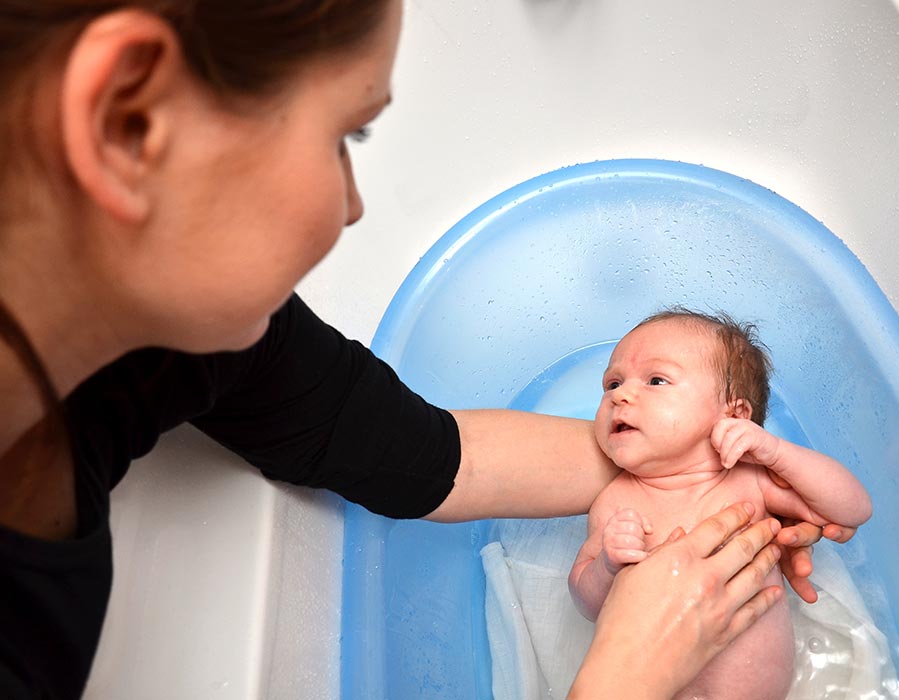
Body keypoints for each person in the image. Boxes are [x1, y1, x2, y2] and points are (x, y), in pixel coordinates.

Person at [0, 2, 839, 698]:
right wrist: (626, 673)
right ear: (126, 120)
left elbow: (430, 455)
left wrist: (691, 481)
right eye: (346, 138)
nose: (356, 206)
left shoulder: (179, 338)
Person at [569, 309, 873, 699]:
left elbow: (854, 509)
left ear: (735, 414)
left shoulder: (751, 479)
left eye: (656, 380)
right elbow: (587, 603)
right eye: (611, 383)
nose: (620, 395)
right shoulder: (615, 503)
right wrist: (605, 568)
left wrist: (777, 452)